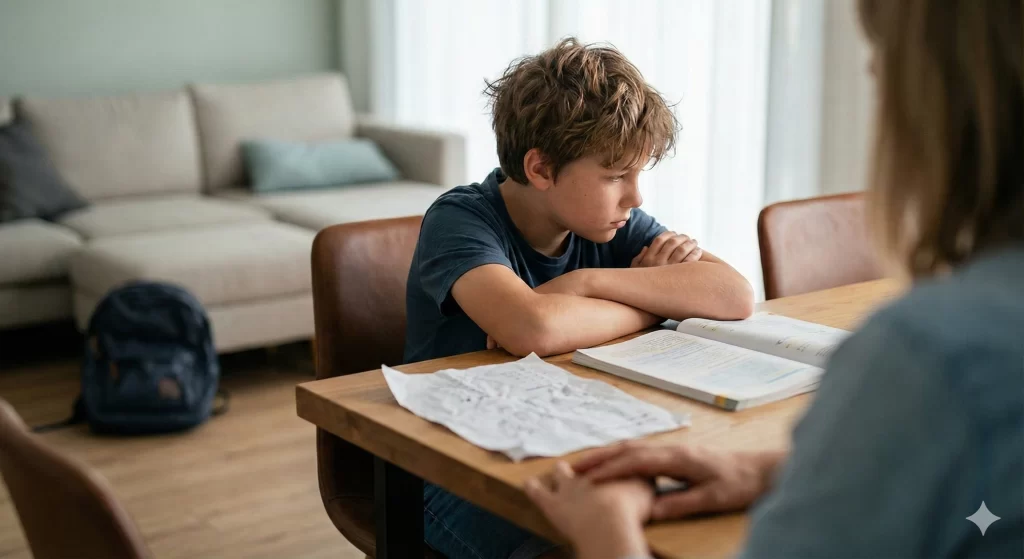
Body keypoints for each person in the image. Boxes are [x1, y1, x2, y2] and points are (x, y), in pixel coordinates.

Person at [524, 1, 1024, 557]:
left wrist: (607, 530)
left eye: (881, 70)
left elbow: (733, 295)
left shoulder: (929, 356)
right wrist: (769, 470)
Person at [404, 38, 755, 558]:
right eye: (615, 176)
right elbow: (534, 330)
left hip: (564, 436)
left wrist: (583, 286)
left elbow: (735, 294)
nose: (636, 198)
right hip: (443, 465)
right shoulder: (459, 221)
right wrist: (660, 298)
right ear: (541, 169)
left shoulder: (609, 222)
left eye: (638, 174)